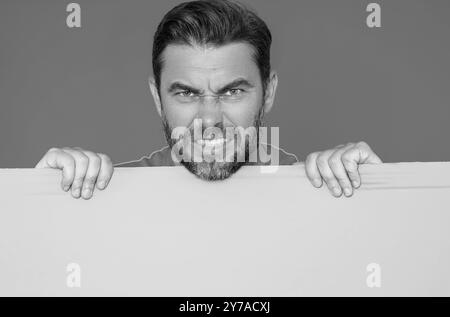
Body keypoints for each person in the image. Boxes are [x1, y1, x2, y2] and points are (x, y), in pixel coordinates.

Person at [35, 0, 382, 200]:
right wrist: (35, 202)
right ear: (158, 98)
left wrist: (381, 197)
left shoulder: (319, 191)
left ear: (269, 92)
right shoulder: (104, 194)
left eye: (232, 91)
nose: (209, 118)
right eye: (187, 93)